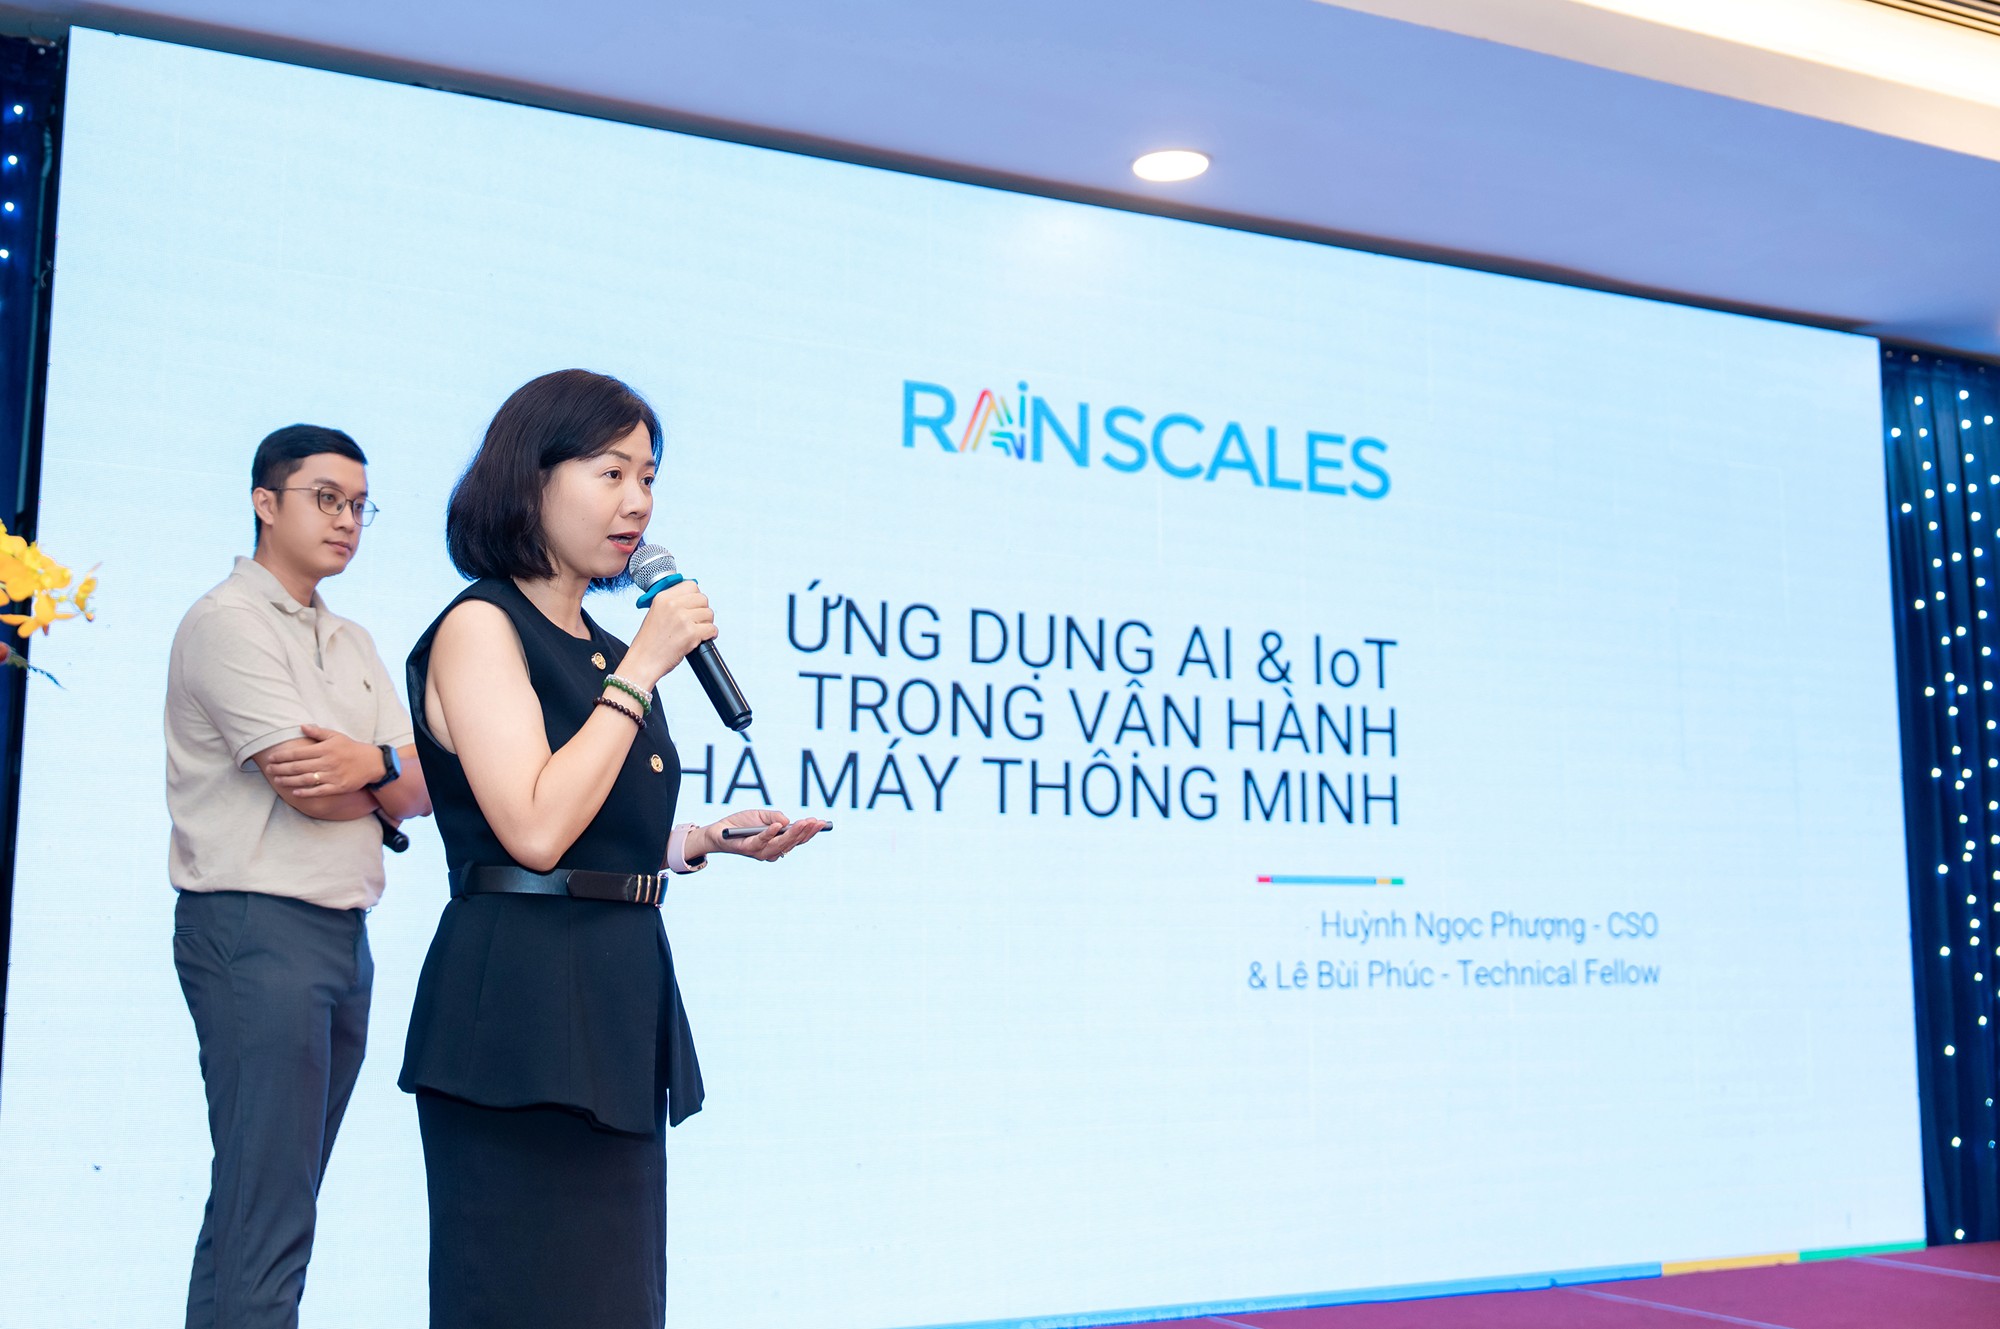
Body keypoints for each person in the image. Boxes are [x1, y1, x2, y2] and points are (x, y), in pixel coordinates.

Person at [400, 368, 826, 1328]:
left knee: (616, 1300)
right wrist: (642, 665)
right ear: (531, 477)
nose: (637, 501)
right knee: (524, 1297)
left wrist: (700, 839)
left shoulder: (600, 646)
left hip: (616, 997)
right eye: (611, 473)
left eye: (649, 477)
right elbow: (533, 827)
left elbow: (590, 823)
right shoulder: (481, 626)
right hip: (518, 1014)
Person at [165, 423, 432, 1329]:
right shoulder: (225, 623)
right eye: (326, 498)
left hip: (342, 937)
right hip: (255, 929)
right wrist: (380, 782)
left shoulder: (352, 640)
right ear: (264, 503)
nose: (347, 519)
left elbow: (424, 788)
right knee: (267, 1212)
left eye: (359, 505)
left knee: (266, 1207)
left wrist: (373, 767)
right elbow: (307, 787)